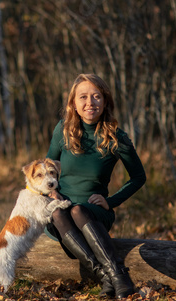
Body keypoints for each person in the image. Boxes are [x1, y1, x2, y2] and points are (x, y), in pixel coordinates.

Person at [44, 73, 146, 299]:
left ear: (105, 101)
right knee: (60, 212)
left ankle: (116, 275)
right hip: (62, 220)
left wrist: (110, 202)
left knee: (78, 209)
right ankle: (109, 276)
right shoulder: (63, 130)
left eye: (96, 96)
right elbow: (47, 168)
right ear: (74, 103)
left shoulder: (116, 137)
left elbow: (139, 177)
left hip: (94, 215)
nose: (90, 103)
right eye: (83, 97)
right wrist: (51, 192)